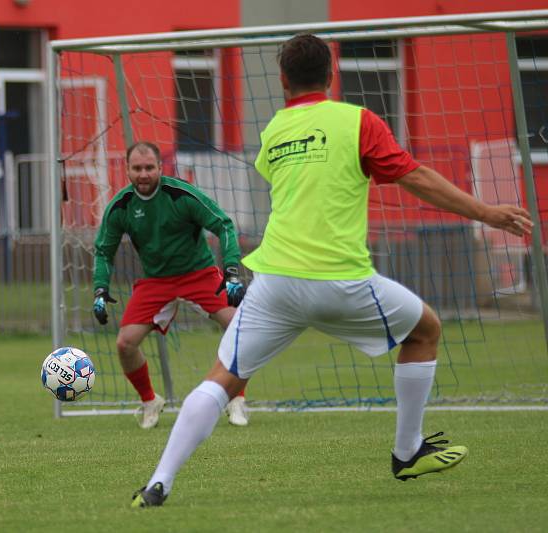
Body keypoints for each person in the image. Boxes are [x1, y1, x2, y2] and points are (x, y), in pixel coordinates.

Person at [131, 34, 534, 506]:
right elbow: (416, 177)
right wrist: (487, 212)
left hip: (275, 281)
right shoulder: (356, 121)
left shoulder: (276, 130)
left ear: (282, 79)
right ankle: (406, 452)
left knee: (223, 378)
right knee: (425, 330)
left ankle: (159, 481)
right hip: (340, 280)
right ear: (332, 74)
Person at [92, 141, 249, 429]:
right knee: (125, 343)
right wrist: (100, 290)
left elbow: (223, 224)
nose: (143, 174)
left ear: (160, 169)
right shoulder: (121, 206)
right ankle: (149, 400)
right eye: (137, 168)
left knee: (240, 327)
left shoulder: (181, 195)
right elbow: (104, 250)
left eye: (149, 168)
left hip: (198, 274)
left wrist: (231, 271)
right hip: (156, 282)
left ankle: (236, 397)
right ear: (126, 169)